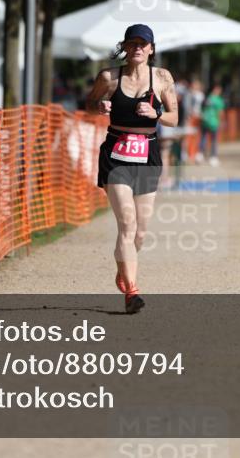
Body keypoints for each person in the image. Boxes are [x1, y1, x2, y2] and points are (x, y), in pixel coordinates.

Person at [85, 24, 179, 314]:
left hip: (147, 154)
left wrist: (156, 113)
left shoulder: (162, 78)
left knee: (140, 233)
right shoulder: (109, 78)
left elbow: (175, 118)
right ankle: (132, 292)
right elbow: (89, 103)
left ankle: (123, 271)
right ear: (124, 47)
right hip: (116, 154)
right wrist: (99, 106)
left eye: (143, 43)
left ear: (151, 49)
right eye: (132, 43)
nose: (137, 47)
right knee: (127, 224)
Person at [199, 82, 225, 166]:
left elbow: (201, 109)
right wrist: (221, 122)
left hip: (205, 121)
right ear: (216, 89)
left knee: (203, 138)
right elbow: (220, 112)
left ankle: (200, 155)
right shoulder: (218, 100)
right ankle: (213, 157)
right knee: (214, 140)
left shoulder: (207, 98)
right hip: (214, 122)